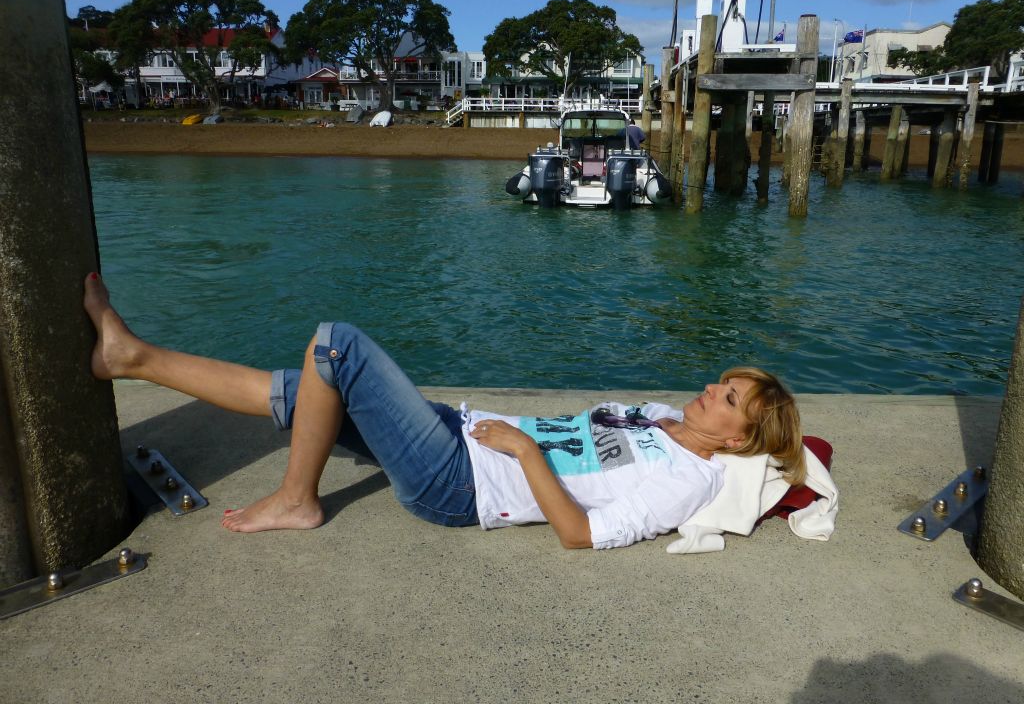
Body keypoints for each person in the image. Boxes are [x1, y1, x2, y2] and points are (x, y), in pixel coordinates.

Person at [83, 273, 805, 549]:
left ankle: (297, 500)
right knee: (304, 393)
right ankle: (131, 358)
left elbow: (583, 534)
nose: (712, 389)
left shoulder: (688, 480)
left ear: (742, 440)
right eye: (721, 381)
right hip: (457, 437)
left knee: (338, 346)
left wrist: (524, 454)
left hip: (461, 486)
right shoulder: (657, 416)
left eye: (728, 397)